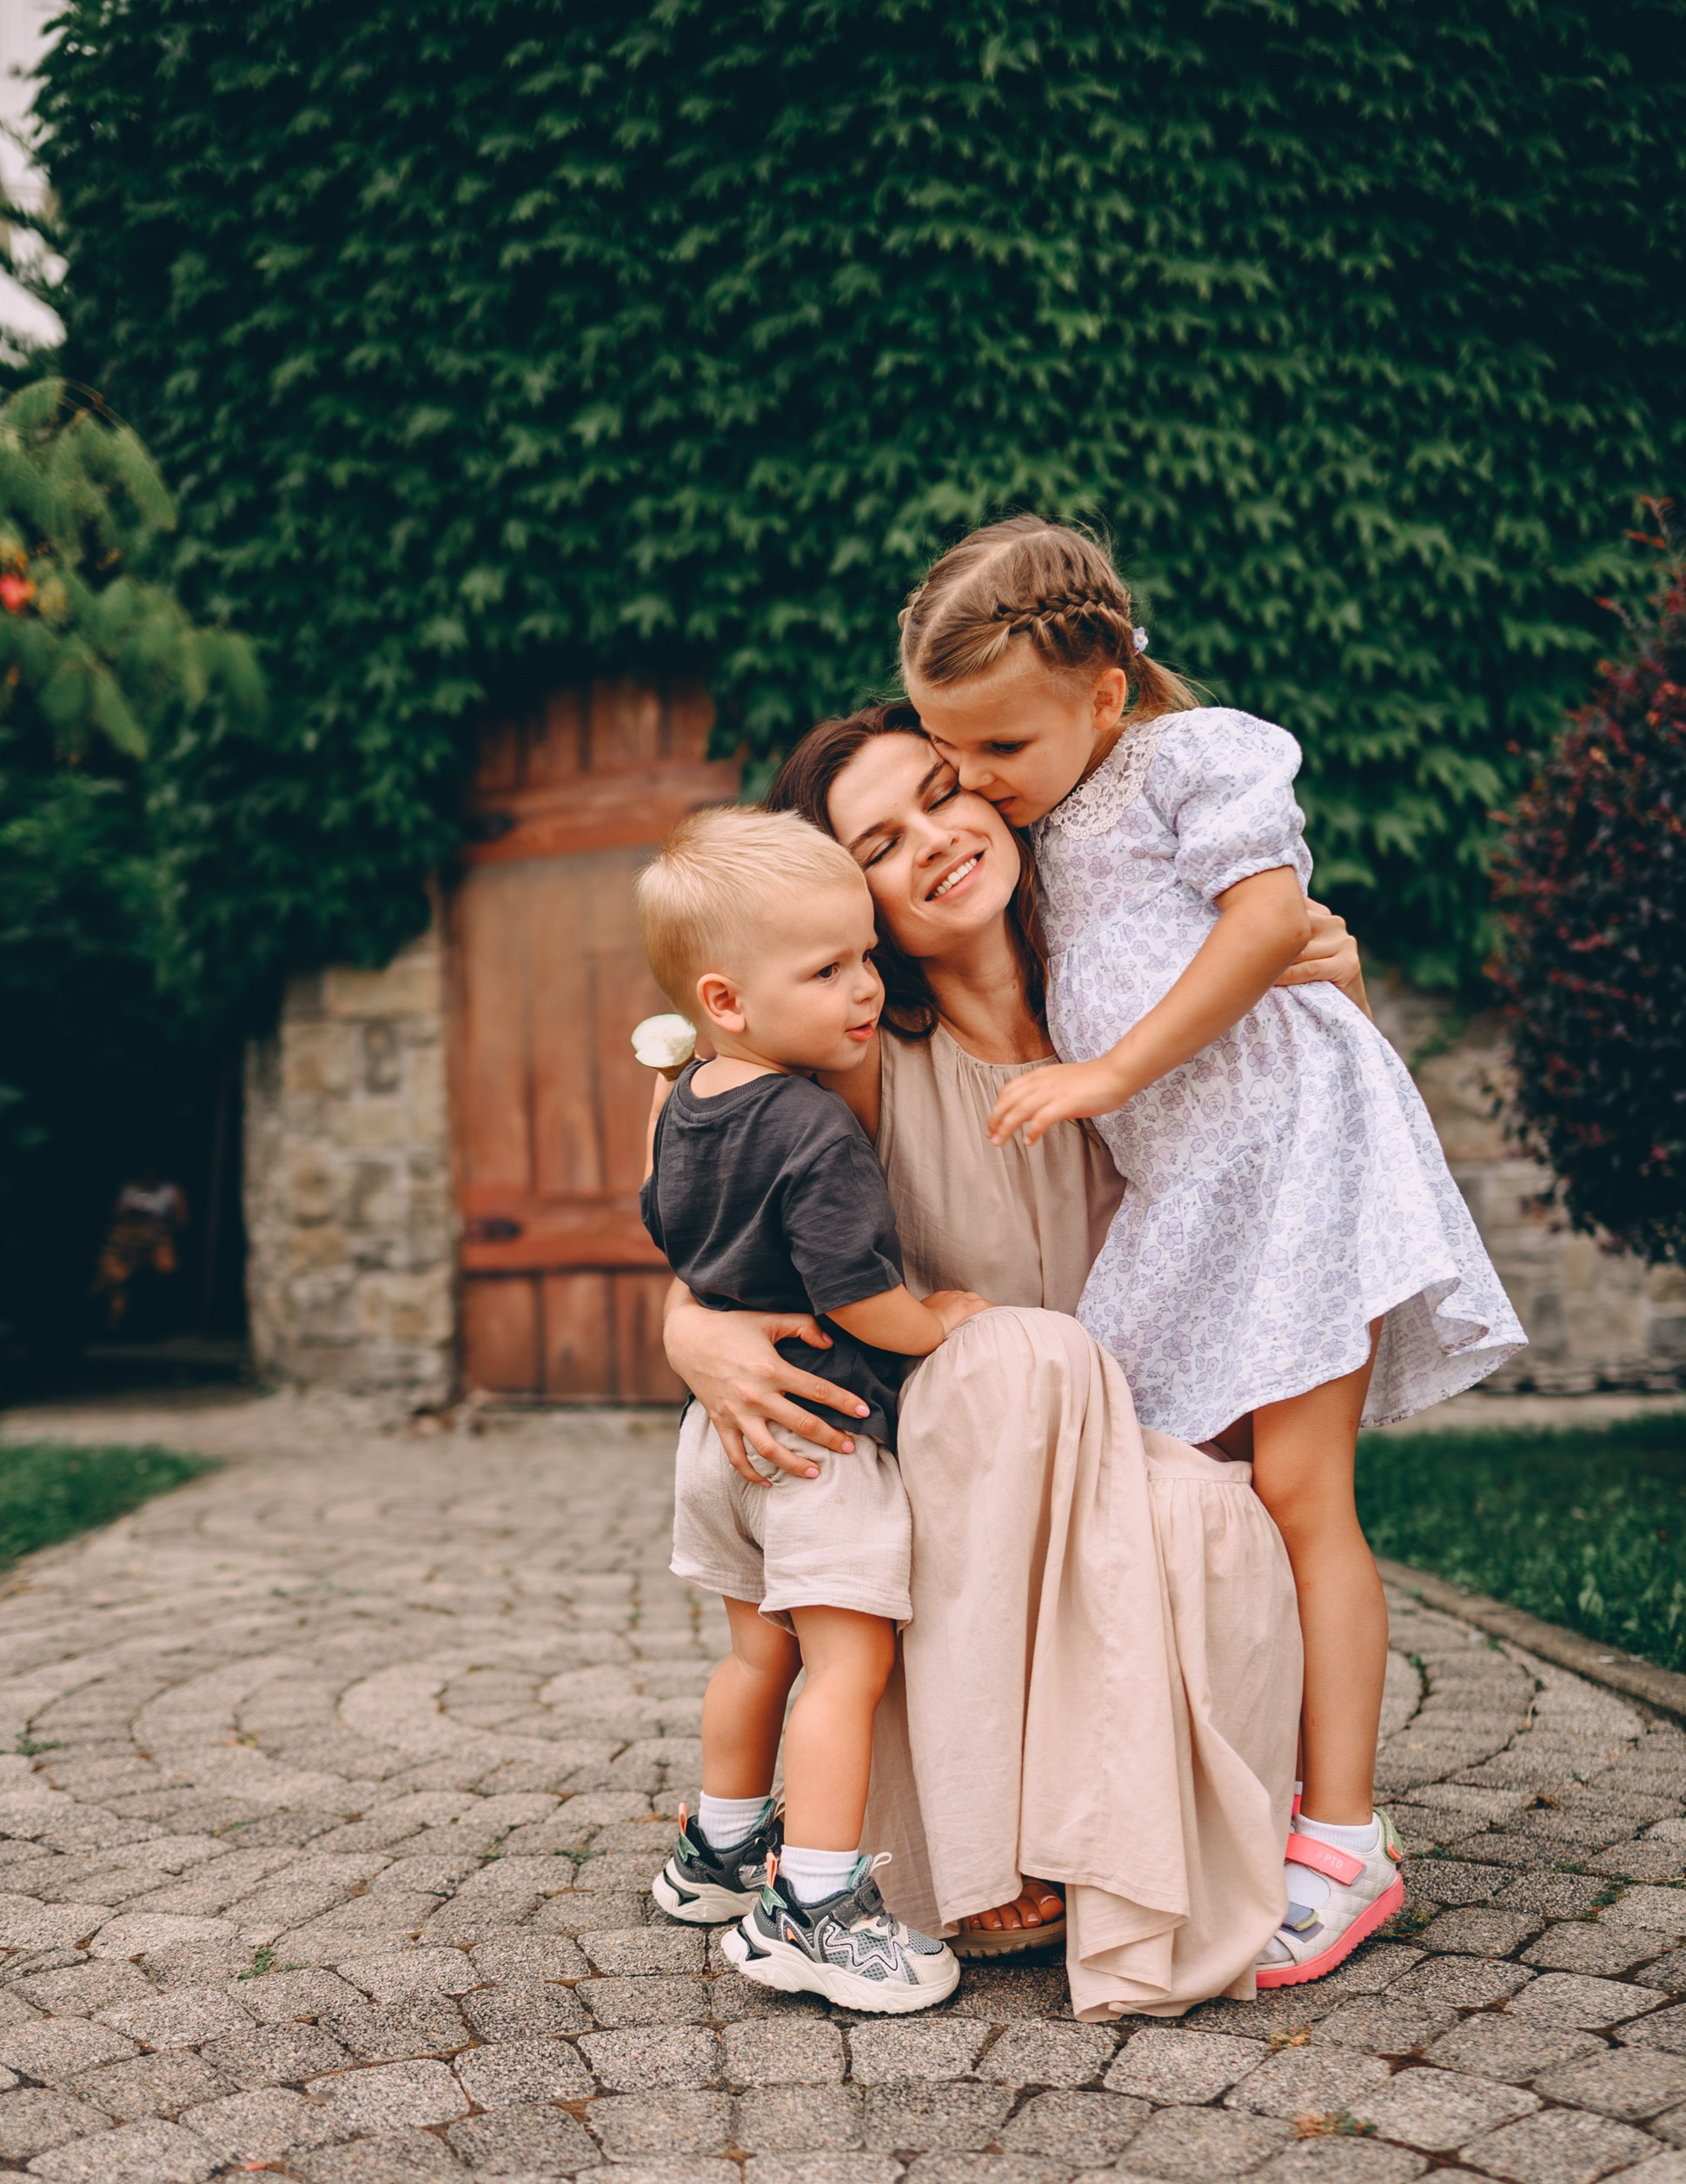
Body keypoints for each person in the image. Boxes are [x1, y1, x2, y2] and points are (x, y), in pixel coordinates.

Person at [895, 514, 1525, 1986]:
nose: (975, 784)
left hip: (1294, 1154)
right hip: (1197, 1195)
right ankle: (1207, 1790)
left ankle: (1346, 1838)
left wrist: (1107, 1080)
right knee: (1177, 1485)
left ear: (1106, 686)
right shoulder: (1043, 828)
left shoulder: (1194, 756)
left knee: (1304, 1492)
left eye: (999, 748)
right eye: (953, 754)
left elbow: (1269, 922)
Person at [661, 706, 1361, 2015]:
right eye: (882, 838)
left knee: (1200, 1508)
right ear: (842, 902)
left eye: (943, 793)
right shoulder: (858, 1048)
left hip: (1141, 1449)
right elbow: (706, 1146)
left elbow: (1322, 1117)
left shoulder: (1150, 985)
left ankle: (1123, 1859)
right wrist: (686, 1322)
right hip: (960, 1478)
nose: (935, 839)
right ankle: (969, 1846)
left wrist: (1336, 993)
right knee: (1019, 1356)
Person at [636, 805, 990, 2013]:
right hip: (817, 1436)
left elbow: (666, 1231)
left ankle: (721, 1851)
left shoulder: (688, 1099)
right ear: (729, 999)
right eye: (829, 968)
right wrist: (940, 1318)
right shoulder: (814, 1125)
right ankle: (818, 1903)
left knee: (756, 1649)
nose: (864, 988)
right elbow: (859, 1289)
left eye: (867, 957)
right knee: (851, 1663)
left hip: (719, 1434)